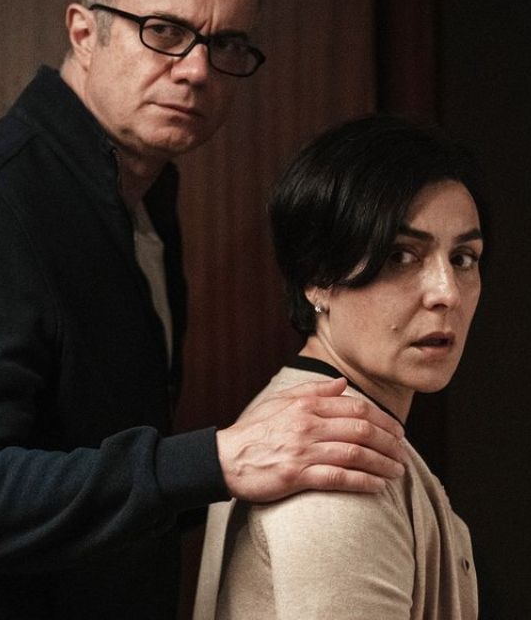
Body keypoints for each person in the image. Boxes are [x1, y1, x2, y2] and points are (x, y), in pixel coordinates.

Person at [0, 0, 409, 619]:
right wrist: (218, 461)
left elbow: (92, 454)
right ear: (85, 33)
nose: (196, 70)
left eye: (226, 44)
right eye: (164, 31)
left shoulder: (139, 199)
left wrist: (254, 471)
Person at [193, 115, 486, 619]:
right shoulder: (336, 462)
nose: (447, 294)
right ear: (317, 278)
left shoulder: (313, 424)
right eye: (400, 256)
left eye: (463, 258)